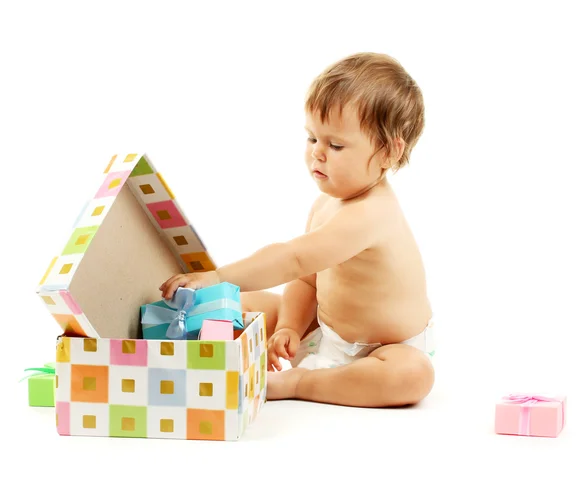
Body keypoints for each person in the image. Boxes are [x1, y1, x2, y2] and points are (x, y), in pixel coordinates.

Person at [159, 52, 435, 408]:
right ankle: (162, 337)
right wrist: (289, 325)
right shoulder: (327, 204)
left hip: (387, 351)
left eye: (335, 145)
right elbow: (307, 279)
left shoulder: (372, 213)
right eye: (312, 138)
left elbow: (292, 258)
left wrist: (218, 276)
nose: (317, 153)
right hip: (327, 334)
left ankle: (301, 382)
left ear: (389, 152)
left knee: (413, 376)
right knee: (242, 304)